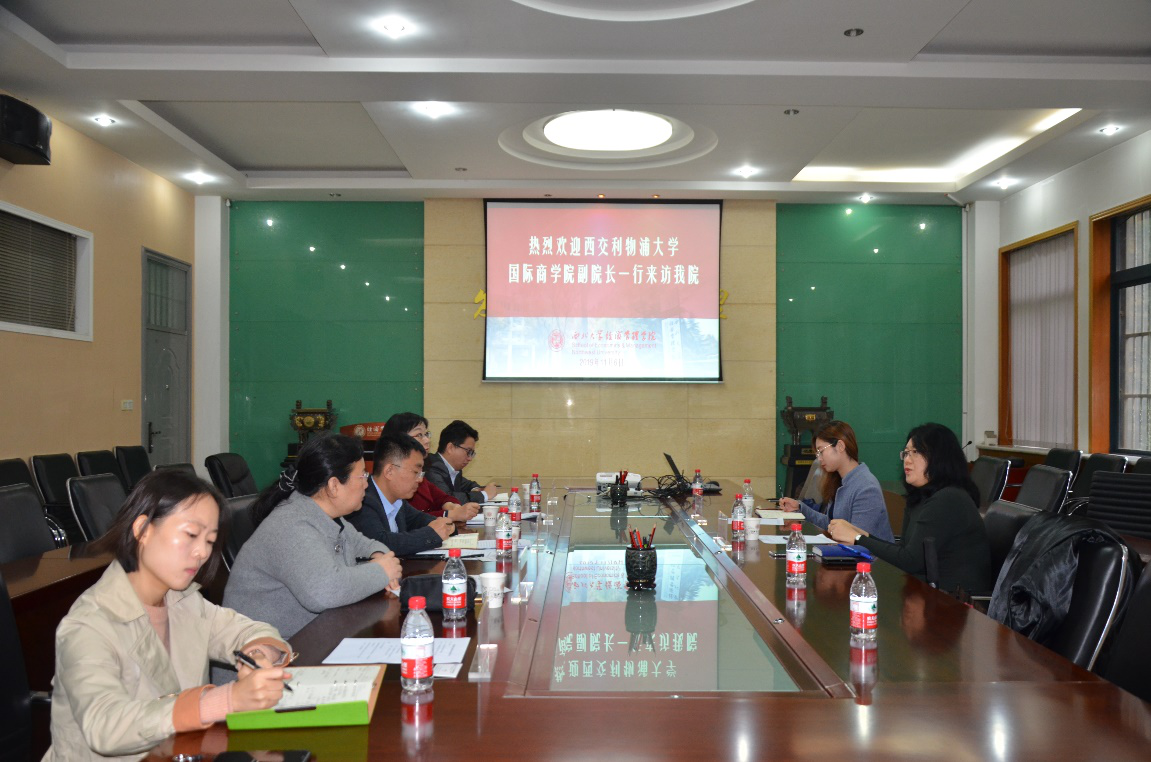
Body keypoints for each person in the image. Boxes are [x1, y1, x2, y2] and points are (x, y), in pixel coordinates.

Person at [46, 470, 292, 761]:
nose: (201, 552)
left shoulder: (183, 600)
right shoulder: (88, 624)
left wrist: (259, 654)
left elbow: (246, 630)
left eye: (210, 540)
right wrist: (224, 700)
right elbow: (105, 726)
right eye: (191, 535)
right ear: (143, 530)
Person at [223, 434, 402, 639]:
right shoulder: (290, 526)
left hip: (310, 637)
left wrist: (380, 557)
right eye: (362, 476)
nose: (367, 484)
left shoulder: (329, 516)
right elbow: (325, 592)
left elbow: (366, 544)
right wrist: (381, 571)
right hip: (263, 651)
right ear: (334, 485)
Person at [829, 423, 994, 595]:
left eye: (916, 452)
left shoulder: (949, 498)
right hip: (925, 591)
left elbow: (911, 561)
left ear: (939, 457)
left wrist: (858, 538)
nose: (907, 459)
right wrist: (861, 535)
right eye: (906, 453)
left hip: (954, 601)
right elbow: (906, 550)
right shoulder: (920, 498)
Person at [779, 420, 894, 542]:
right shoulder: (839, 480)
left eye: (821, 451)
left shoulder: (866, 488)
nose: (819, 458)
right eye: (817, 454)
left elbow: (859, 542)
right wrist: (800, 508)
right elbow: (831, 524)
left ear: (840, 446)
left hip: (867, 554)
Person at [346, 431, 456, 557]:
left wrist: (445, 525)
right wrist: (432, 534)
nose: (420, 479)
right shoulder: (363, 500)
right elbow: (381, 543)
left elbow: (419, 519)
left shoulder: (398, 501)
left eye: (421, 473)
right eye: (415, 472)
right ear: (389, 471)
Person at [382, 412, 480, 522]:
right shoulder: (397, 477)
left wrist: (450, 505)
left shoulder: (420, 472)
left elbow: (442, 497)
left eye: (426, 434)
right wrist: (450, 514)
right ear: (397, 439)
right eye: (419, 435)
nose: (427, 440)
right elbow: (411, 519)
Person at [424, 419, 499, 503]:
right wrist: (484, 495)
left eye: (472, 453)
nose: (470, 458)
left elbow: (467, 485)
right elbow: (447, 498)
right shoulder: (431, 466)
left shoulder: (453, 469)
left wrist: (478, 489)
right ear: (450, 448)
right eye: (468, 451)